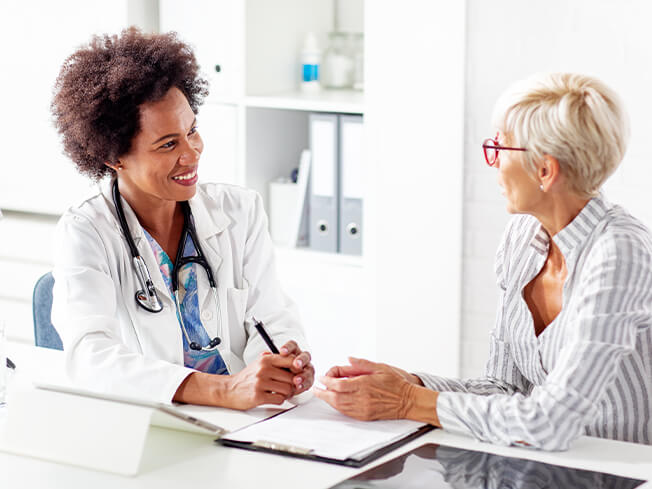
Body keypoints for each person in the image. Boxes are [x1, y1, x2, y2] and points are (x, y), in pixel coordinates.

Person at [315, 73, 652, 450]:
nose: (492, 162)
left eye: (500, 149)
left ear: (545, 170)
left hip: (619, 471)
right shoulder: (522, 238)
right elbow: (504, 389)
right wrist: (411, 382)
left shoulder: (620, 252)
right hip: (543, 467)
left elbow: (551, 423)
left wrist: (408, 401)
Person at [50, 28, 314, 408]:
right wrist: (222, 391)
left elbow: (272, 316)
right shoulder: (86, 231)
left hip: (248, 420)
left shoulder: (240, 212)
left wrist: (283, 364)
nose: (191, 154)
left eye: (192, 131)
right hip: (154, 421)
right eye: (168, 144)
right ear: (114, 157)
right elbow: (89, 355)